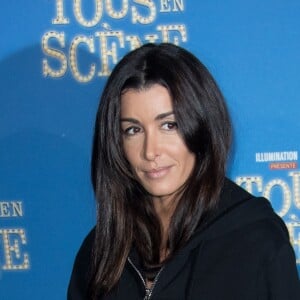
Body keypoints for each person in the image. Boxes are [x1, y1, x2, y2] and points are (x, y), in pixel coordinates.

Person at [67, 43, 300, 300]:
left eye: (169, 125)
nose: (150, 151)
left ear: (201, 126)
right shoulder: (99, 252)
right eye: (133, 130)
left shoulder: (255, 243)